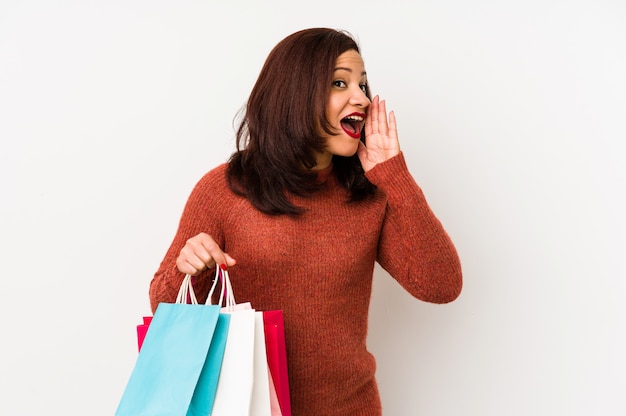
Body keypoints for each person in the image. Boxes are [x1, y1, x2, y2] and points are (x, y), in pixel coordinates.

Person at [149, 27, 462, 415]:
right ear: (296, 94)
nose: (361, 98)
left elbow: (441, 285)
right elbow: (164, 311)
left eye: (363, 84)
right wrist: (190, 268)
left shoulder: (371, 193)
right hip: (246, 408)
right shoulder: (224, 189)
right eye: (339, 83)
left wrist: (395, 177)